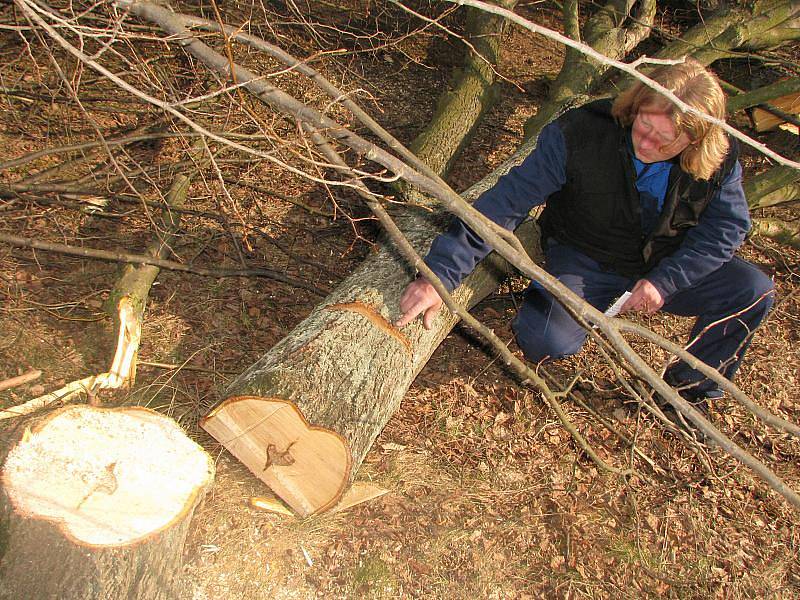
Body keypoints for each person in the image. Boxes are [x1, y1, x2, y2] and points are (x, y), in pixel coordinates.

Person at [395, 58, 774, 407]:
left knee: (751, 291)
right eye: (645, 124)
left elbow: (726, 228)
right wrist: (439, 276)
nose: (646, 142)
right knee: (546, 341)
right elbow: (505, 202)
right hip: (585, 255)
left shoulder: (718, 158)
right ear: (637, 105)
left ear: (694, 140)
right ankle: (556, 303)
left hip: (664, 261)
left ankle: (689, 394)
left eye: (665, 138)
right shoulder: (581, 131)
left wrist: (665, 281)